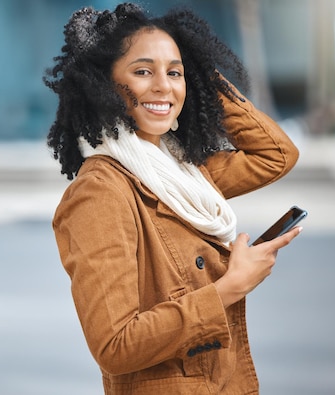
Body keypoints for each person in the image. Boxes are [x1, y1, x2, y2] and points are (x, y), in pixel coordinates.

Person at [43, 3, 301, 394]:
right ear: (103, 84)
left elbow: (276, 154)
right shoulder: (99, 192)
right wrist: (230, 287)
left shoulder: (184, 174)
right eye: (143, 71)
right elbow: (115, 345)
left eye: (174, 72)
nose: (163, 85)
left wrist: (197, 75)